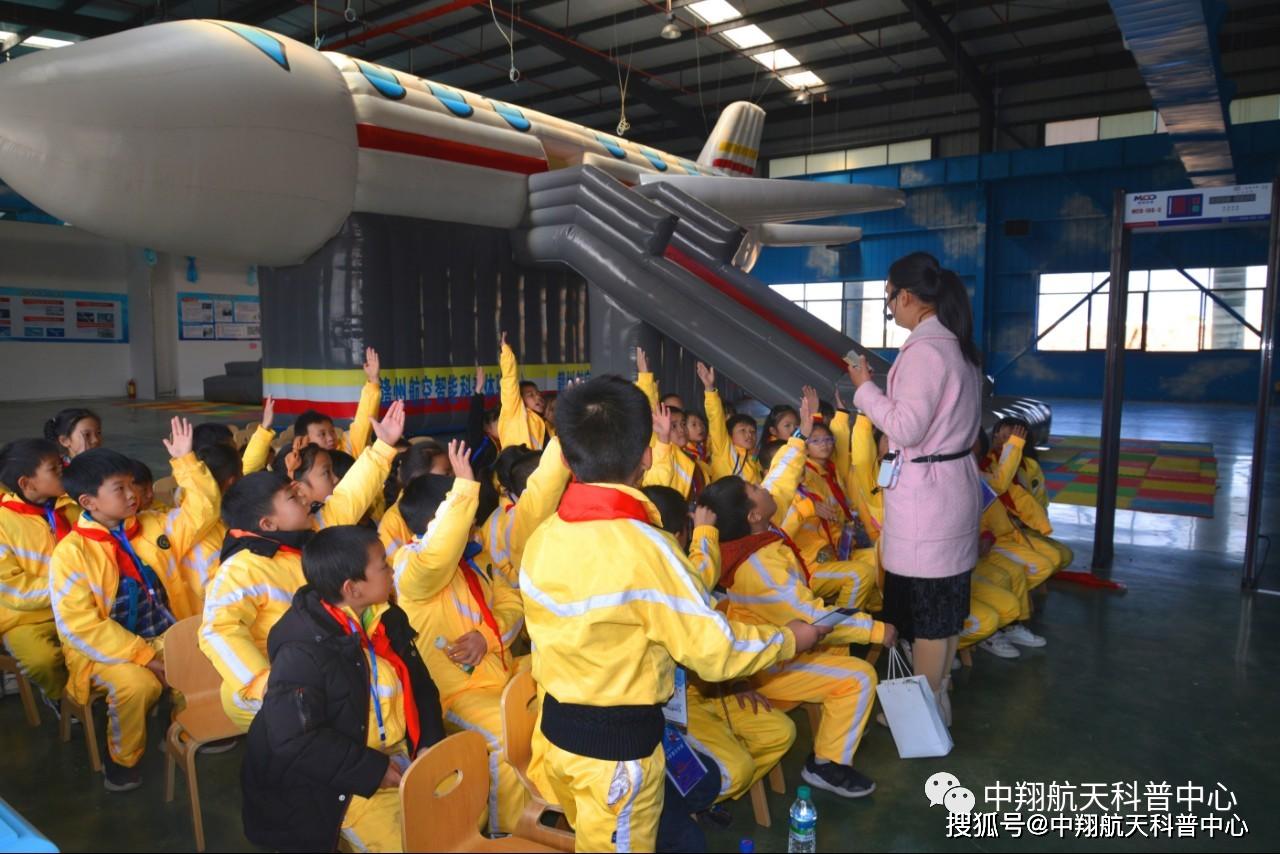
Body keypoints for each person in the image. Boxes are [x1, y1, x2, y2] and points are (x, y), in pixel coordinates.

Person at [519, 375, 829, 852]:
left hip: (557, 741)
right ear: (646, 454)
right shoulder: (647, 550)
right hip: (617, 759)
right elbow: (716, 651)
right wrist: (791, 639)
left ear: (564, 455)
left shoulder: (543, 537)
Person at [696, 393, 892, 799]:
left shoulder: (756, 529)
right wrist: (876, 631)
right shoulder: (759, 567)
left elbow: (780, 480)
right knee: (859, 674)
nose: (763, 485)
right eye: (754, 487)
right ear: (754, 514)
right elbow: (813, 618)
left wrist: (800, 436)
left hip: (784, 644)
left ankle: (842, 727)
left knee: (841, 656)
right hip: (767, 667)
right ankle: (827, 766)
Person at [392, 438, 567, 834]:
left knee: (571, 690)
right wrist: (465, 490)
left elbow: (512, 604)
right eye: (463, 513)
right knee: (511, 742)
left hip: (502, 676)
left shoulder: (478, 560)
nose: (472, 521)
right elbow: (438, 553)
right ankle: (508, 832)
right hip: (457, 696)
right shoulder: (412, 568)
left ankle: (551, 805)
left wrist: (486, 639)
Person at [200, 401, 404, 732]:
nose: (306, 498)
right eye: (293, 498)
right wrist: (264, 682)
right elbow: (218, 630)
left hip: (322, 661)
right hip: (273, 681)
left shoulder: (307, 535)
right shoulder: (242, 569)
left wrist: (382, 448)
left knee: (385, 684)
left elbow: (347, 500)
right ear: (267, 523)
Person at [241, 525, 445, 853]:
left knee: (457, 814)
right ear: (352, 589)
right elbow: (294, 739)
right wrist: (373, 770)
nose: (392, 570)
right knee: (416, 844)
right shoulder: (302, 650)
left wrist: (428, 742)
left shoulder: (385, 617)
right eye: (382, 566)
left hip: (394, 755)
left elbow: (420, 685)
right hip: (337, 782)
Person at [846, 251, 983, 726]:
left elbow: (906, 427)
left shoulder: (925, 352)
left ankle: (922, 715)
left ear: (905, 297)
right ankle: (938, 699)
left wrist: (865, 388)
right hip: (952, 488)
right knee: (944, 616)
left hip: (930, 498)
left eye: (890, 300)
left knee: (927, 620)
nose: (893, 309)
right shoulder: (957, 346)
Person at [50, 418, 213, 791]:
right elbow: (83, 627)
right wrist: (145, 657)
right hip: (104, 654)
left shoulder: (152, 526)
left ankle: (182, 732)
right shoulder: (71, 554)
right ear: (88, 502)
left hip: (165, 633)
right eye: (118, 488)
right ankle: (122, 761)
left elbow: (203, 514)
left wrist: (186, 462)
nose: (131, 495)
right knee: (138, 687)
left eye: (131, 486)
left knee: (208, 657)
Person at [0, 439, 75, 707]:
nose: (64, 470)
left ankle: (84, 692)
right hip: (24, 618)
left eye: (62, 464)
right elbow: (12, 588)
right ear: (26, 483)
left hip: (75, 605)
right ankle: (59, 697)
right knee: (41, 660)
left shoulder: (70, 504)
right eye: (54, 469)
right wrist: (68, 589)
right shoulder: (4, 522)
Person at [698, 363, 761, 484]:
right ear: (730, 434)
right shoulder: (724, 449)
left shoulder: (754, 461)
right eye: (742, 430)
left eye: (752, 431)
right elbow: (716, 419)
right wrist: (709, 388)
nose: (749, 435)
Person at [498, 331, 549, 451]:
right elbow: (510, 381)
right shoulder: (514, 411)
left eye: (538, 394)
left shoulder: (544, 423)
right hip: (518, 468)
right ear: (519, 399)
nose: (538, 398)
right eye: (530, 395)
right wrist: (506, 353)